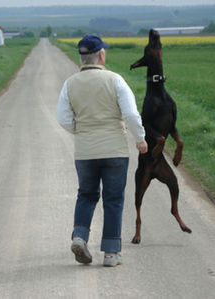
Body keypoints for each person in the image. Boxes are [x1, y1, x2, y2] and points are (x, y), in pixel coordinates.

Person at [56, 34, 148, 267]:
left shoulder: (70, 84)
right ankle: (110, 253)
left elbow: (63, 118)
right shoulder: (116, 80)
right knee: (113, 199)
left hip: (85, 152)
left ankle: (79, 236)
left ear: (82, 58)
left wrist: (83, 131)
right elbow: (130, 114)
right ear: (101, 55)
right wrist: (140, 139)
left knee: (86, 195)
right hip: (115, 150)